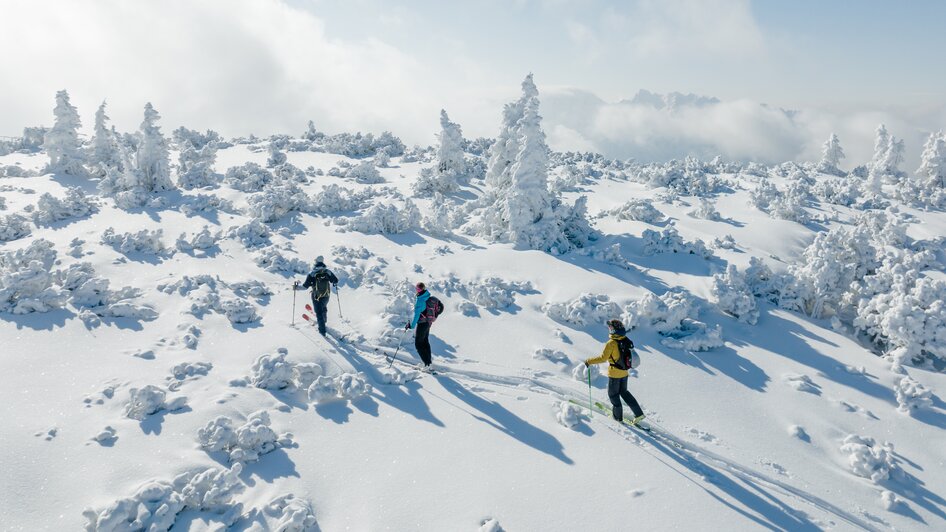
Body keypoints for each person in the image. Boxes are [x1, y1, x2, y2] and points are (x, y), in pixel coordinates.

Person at [585, 319, 645, 425]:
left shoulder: (611, 343)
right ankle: (639, 414)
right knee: (625, 393)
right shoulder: (626, 340)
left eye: (611, 328)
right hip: (625, 373)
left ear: (615, 330)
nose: (610, 329)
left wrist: (589, 361)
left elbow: (603, 358)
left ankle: (618, 418)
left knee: (613, 396)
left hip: (614, 374)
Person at [299, 256, 338, 336]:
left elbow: (305, 287)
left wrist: (296, 287)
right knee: (324, 307)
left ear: (316, 262)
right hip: (326, 295)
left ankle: (322, 331)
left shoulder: (312, 274)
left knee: (319, 313)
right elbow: (335, 280)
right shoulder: (327, 272)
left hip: (316, 296)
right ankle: (324, 320)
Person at [406, 282, 440, 371]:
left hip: (422, 323)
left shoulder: (420, 300)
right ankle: (428, 364)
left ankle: (427, 365)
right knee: (425, 342)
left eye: (418, 289)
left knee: (418, 344)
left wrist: (411, 326)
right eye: (416, 288)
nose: (417, 290)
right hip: (428, 323)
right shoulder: (427, 296)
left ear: (420, 289)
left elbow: (417, 315)